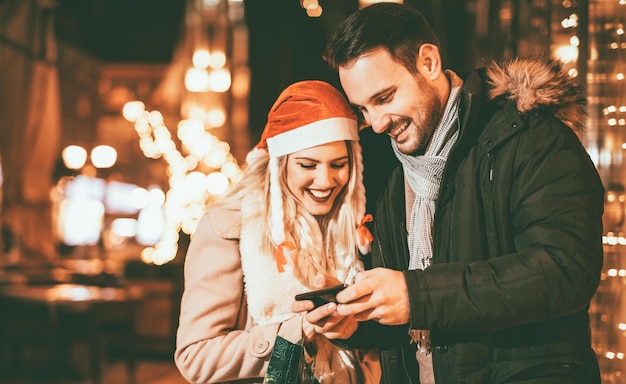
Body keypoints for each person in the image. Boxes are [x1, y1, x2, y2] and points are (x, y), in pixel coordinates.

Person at [293, 3, 605, 384]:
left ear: (428, 63)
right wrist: (358, 324)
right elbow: (414, 326)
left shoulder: (530, 139)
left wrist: (416, 295)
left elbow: (565, 270)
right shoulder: (390, 171)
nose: (375, 124)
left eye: (385, 97)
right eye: (363, 109)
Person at [174, 80, 381, 383]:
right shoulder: (229, 227)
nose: (325, 181)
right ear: (279, 165)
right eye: (307, 165)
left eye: (339, 164)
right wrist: (297, 333)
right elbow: (196, 357)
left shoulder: (354, 227)